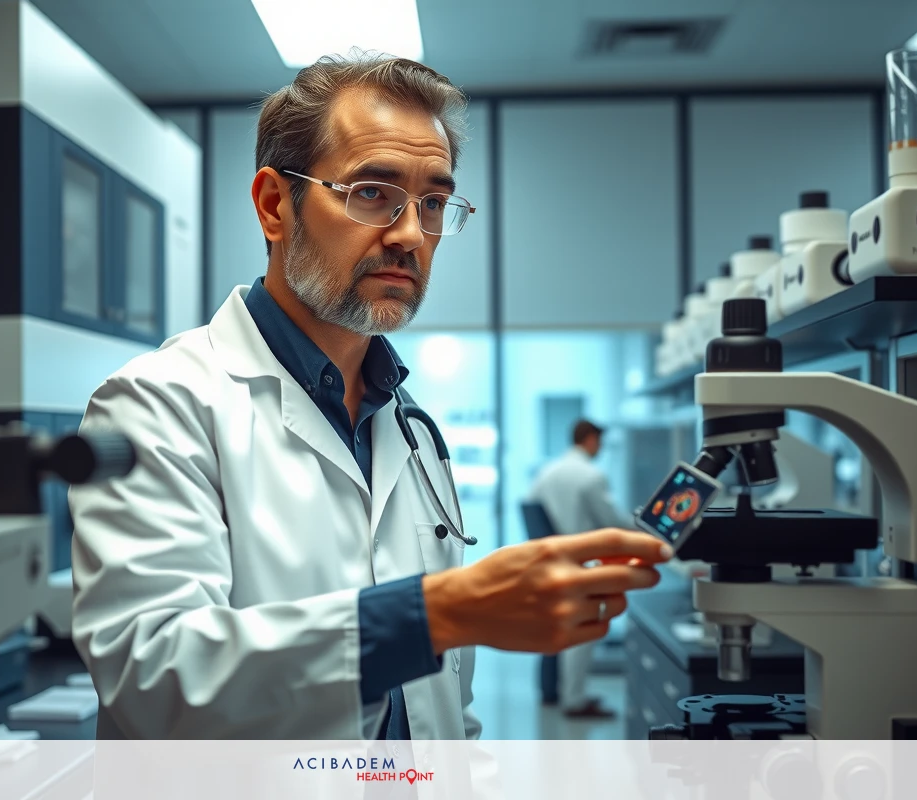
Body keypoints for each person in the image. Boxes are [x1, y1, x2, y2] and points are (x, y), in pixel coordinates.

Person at [68, 52, 671, 741]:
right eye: (371, 193)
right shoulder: (157, 407)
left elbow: (446, 705)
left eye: (435, 203)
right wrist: (439, 612)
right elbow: (157, 678)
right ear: (274, 205)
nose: (411, 234)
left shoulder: (411, 430)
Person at [526, 419, 637, 719]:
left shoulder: (546, 473)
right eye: (598, 441)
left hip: (549, 562)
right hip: (582, 564)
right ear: (589, 439)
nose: (600, 448)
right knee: (582, 632)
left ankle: (554, 692)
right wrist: (643, 528)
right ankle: (574, 701)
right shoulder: (590, 476)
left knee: (557, 627)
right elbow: (614, 522)